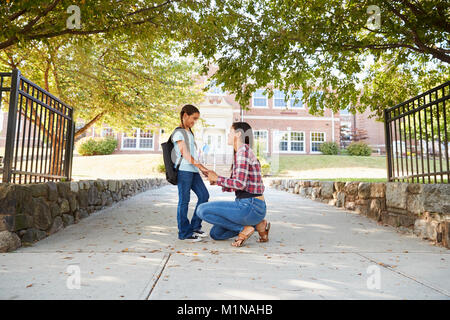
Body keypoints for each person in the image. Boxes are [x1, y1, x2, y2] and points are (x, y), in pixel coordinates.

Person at [196, 122, 270, 247]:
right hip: (254, 208)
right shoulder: (243, 152)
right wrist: (217, 181)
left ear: (238, 133)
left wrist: (218, 178)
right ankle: (257, 225)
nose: (228, 135)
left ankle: (243, 229)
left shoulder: (243, 152)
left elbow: (239, 184)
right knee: (216, 234)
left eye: (230, 132)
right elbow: (241, 184)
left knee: (201, 210)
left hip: (249, 206)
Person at [172, 104, 210, 242]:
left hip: (193, 171)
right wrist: (202, 167)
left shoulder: (189, 132)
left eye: (197, 119)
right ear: (185, 115)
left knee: (204, 195)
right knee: (184, 201)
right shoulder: (179, 133)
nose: (194, 122)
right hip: (184, 171)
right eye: (193, 118)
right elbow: (186, 154)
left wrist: (201, 168)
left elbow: (193, 154)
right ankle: (184, 233)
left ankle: (194, 227)